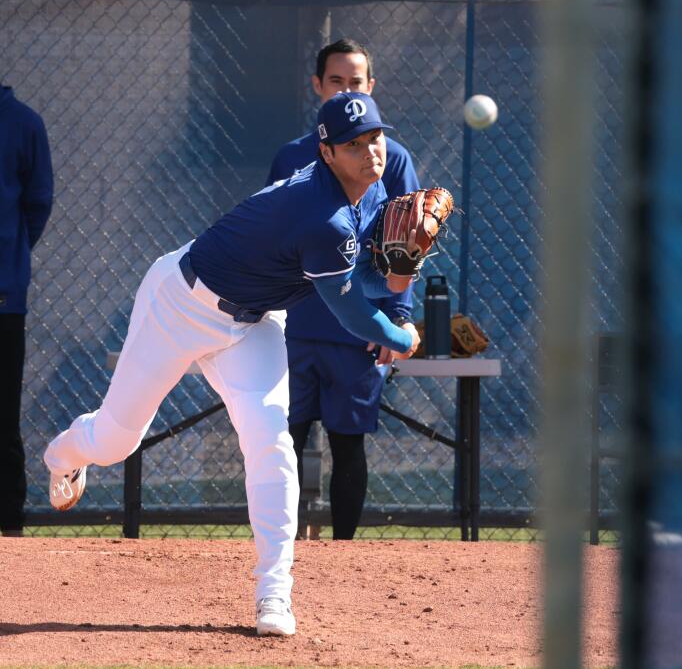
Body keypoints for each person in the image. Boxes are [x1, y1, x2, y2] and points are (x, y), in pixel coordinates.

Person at [43, 92, 419, 636]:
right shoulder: (324, 217)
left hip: (253, 322)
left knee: (270, 441)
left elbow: (341, 279)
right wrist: (399, 332)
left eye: (375, 138)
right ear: (327, 151)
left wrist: (393, 282)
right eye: (353, 144)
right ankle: (62, 452)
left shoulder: (371, 189)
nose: (369, 152)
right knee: (115, 443)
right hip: (179, 304)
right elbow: (356, 318)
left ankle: (274, 593)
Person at [266, 38, 421, 541]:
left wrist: (397, 316)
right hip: (296, 325)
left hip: (359, 327)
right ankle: (279, 548)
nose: (346, 89)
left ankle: (344, 558)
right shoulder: (292, 156)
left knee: (348, 443)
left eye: (356, 82)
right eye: (336, 81)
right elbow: (270, 242)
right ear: (317, 86)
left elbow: (407, 247)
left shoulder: (391, 160)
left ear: (371, 87)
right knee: (283, 441)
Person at [0, 83, 54, 539]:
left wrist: (9, 255)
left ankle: (9, 531)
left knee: (3, 420)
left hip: (2, 298)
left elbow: (37, 204)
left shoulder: (23, 123)